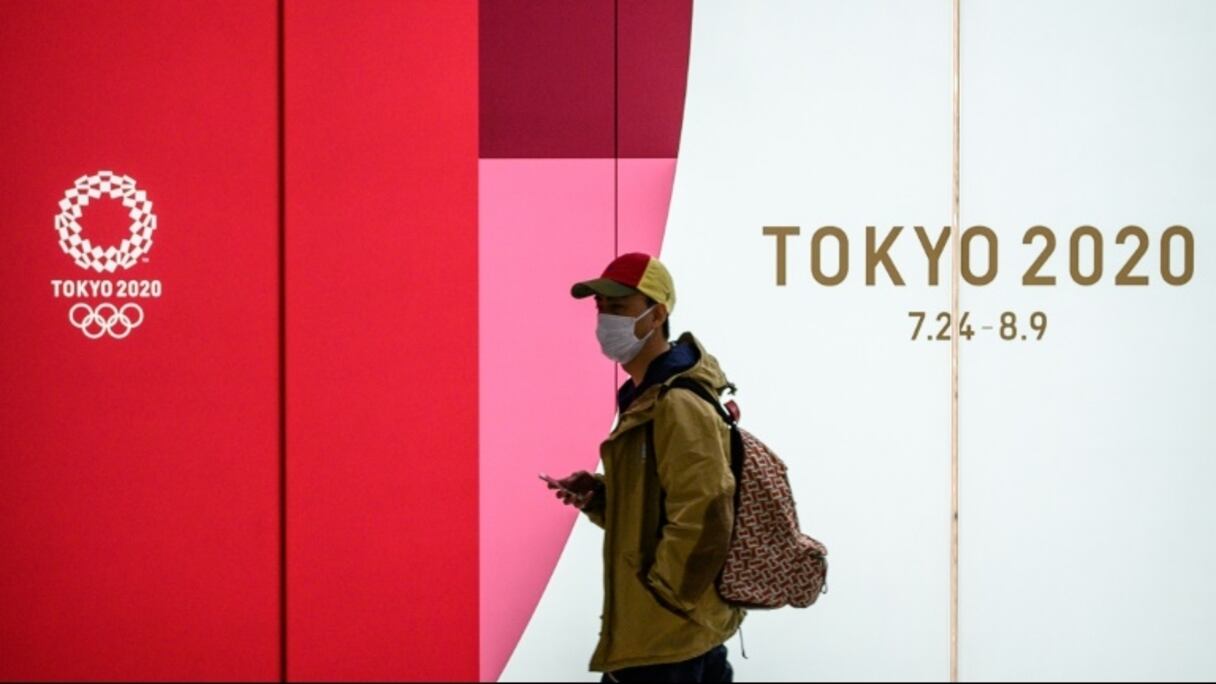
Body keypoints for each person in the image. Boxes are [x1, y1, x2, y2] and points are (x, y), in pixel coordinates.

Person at [545, 252, 744, 683]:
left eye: (619, 307)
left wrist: (664, 595)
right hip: (661, 638)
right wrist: (601, 497)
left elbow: (707, 510)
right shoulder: (643, 397)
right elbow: (657, 507)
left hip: (667, 643)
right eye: (601, 307)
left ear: (657, 315)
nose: (605, 319)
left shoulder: (677, 402)